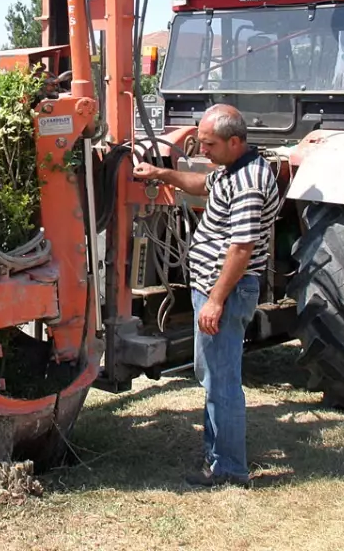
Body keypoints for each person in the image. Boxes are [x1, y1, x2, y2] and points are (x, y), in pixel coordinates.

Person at [132, 104, 279, 488]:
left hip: (225, 293)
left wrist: (215, 300)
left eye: (209, 144)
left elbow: (242, 250)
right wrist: (162, 173)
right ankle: (219, 457)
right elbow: (203, 184)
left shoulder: (248, 183)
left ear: (234, 141)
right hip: (214, 288)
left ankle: (230, 469)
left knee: (221, 380)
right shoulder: (231, 169)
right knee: (212, 373)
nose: (202, 151)